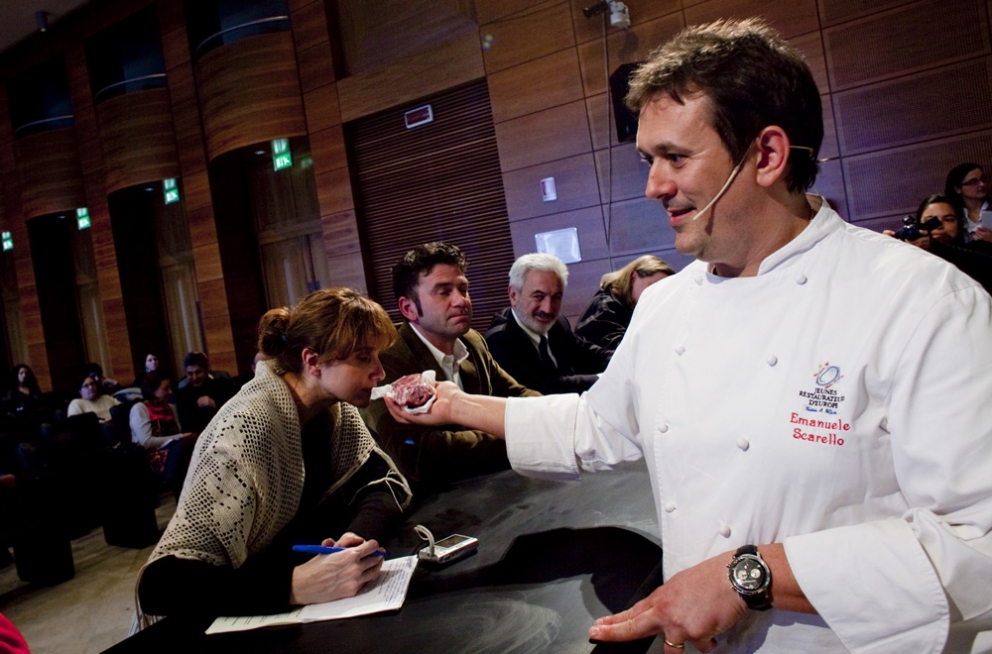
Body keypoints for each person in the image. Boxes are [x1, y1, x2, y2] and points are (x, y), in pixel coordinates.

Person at [387, 18, 992, 653]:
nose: (654, 186)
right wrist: (453, 405)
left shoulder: (923, 304)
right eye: (650, 160)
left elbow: (979, 541)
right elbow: (599, 428)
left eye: (676, 157)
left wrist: (748, 578)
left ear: (766, 155)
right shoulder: (667, 304)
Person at [135, 288, 412, 626]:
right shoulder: (246, 428)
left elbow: (385, 484)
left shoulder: (334, 410)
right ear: (312, 361)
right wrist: (294, 586)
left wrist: (351, 543)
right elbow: (160, 586)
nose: (380, 373)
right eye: (364, 357)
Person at [360, 242, 538, 487]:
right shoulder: (386, 358)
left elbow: (517, 394)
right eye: (444, 292)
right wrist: (523, 433)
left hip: (490, 486)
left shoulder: (471, 340)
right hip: (429, 505)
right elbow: (417, 454)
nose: (461, 300)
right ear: (408, 308)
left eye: (463, 289)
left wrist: (556, 416)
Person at [484, 253, 611, 394]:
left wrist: (624, 361)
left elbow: (587, 354)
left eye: (556, 297)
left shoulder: (557, 323)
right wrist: (609, 379)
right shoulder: (498, 342)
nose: (548, 308)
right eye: (538, 296)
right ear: (513, 295)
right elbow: (544, 388)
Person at [884, 194, 992, 293]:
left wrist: (936, 246)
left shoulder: (978, 249)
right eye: (931, 220)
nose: (939, 225)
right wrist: (885, 251)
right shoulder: (910, 258)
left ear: (959, 225)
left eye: (949, 220)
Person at [575, 255, 675, 350]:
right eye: (652, 286)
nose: (656, 294)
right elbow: (621, 355)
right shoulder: (606, 307)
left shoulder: (623, 305)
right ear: (633, 277)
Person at [129, 371, 197, 498]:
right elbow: (146, 442)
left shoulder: (171, 408)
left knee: (193, 447)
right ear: (152, 390)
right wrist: (181, 437)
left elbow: (178, 434)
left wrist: (181, 438)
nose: (170, 392)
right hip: (150, 459)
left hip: (175, 452)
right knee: (191, 441)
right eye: (165, 389)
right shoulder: (139, 409)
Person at [176, 351, 234, 434]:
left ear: (207, 370)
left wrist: (214, 403)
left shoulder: (223, 385)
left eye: (198, 372)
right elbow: (186, 428)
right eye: (190, 374)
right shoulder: (182, 395)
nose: (194, 377)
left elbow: (235, 410)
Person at [945, 163, 990, 243]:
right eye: (973, 182)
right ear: (958, 189)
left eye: (983, 179)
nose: (982, 184)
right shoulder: (953, 215)